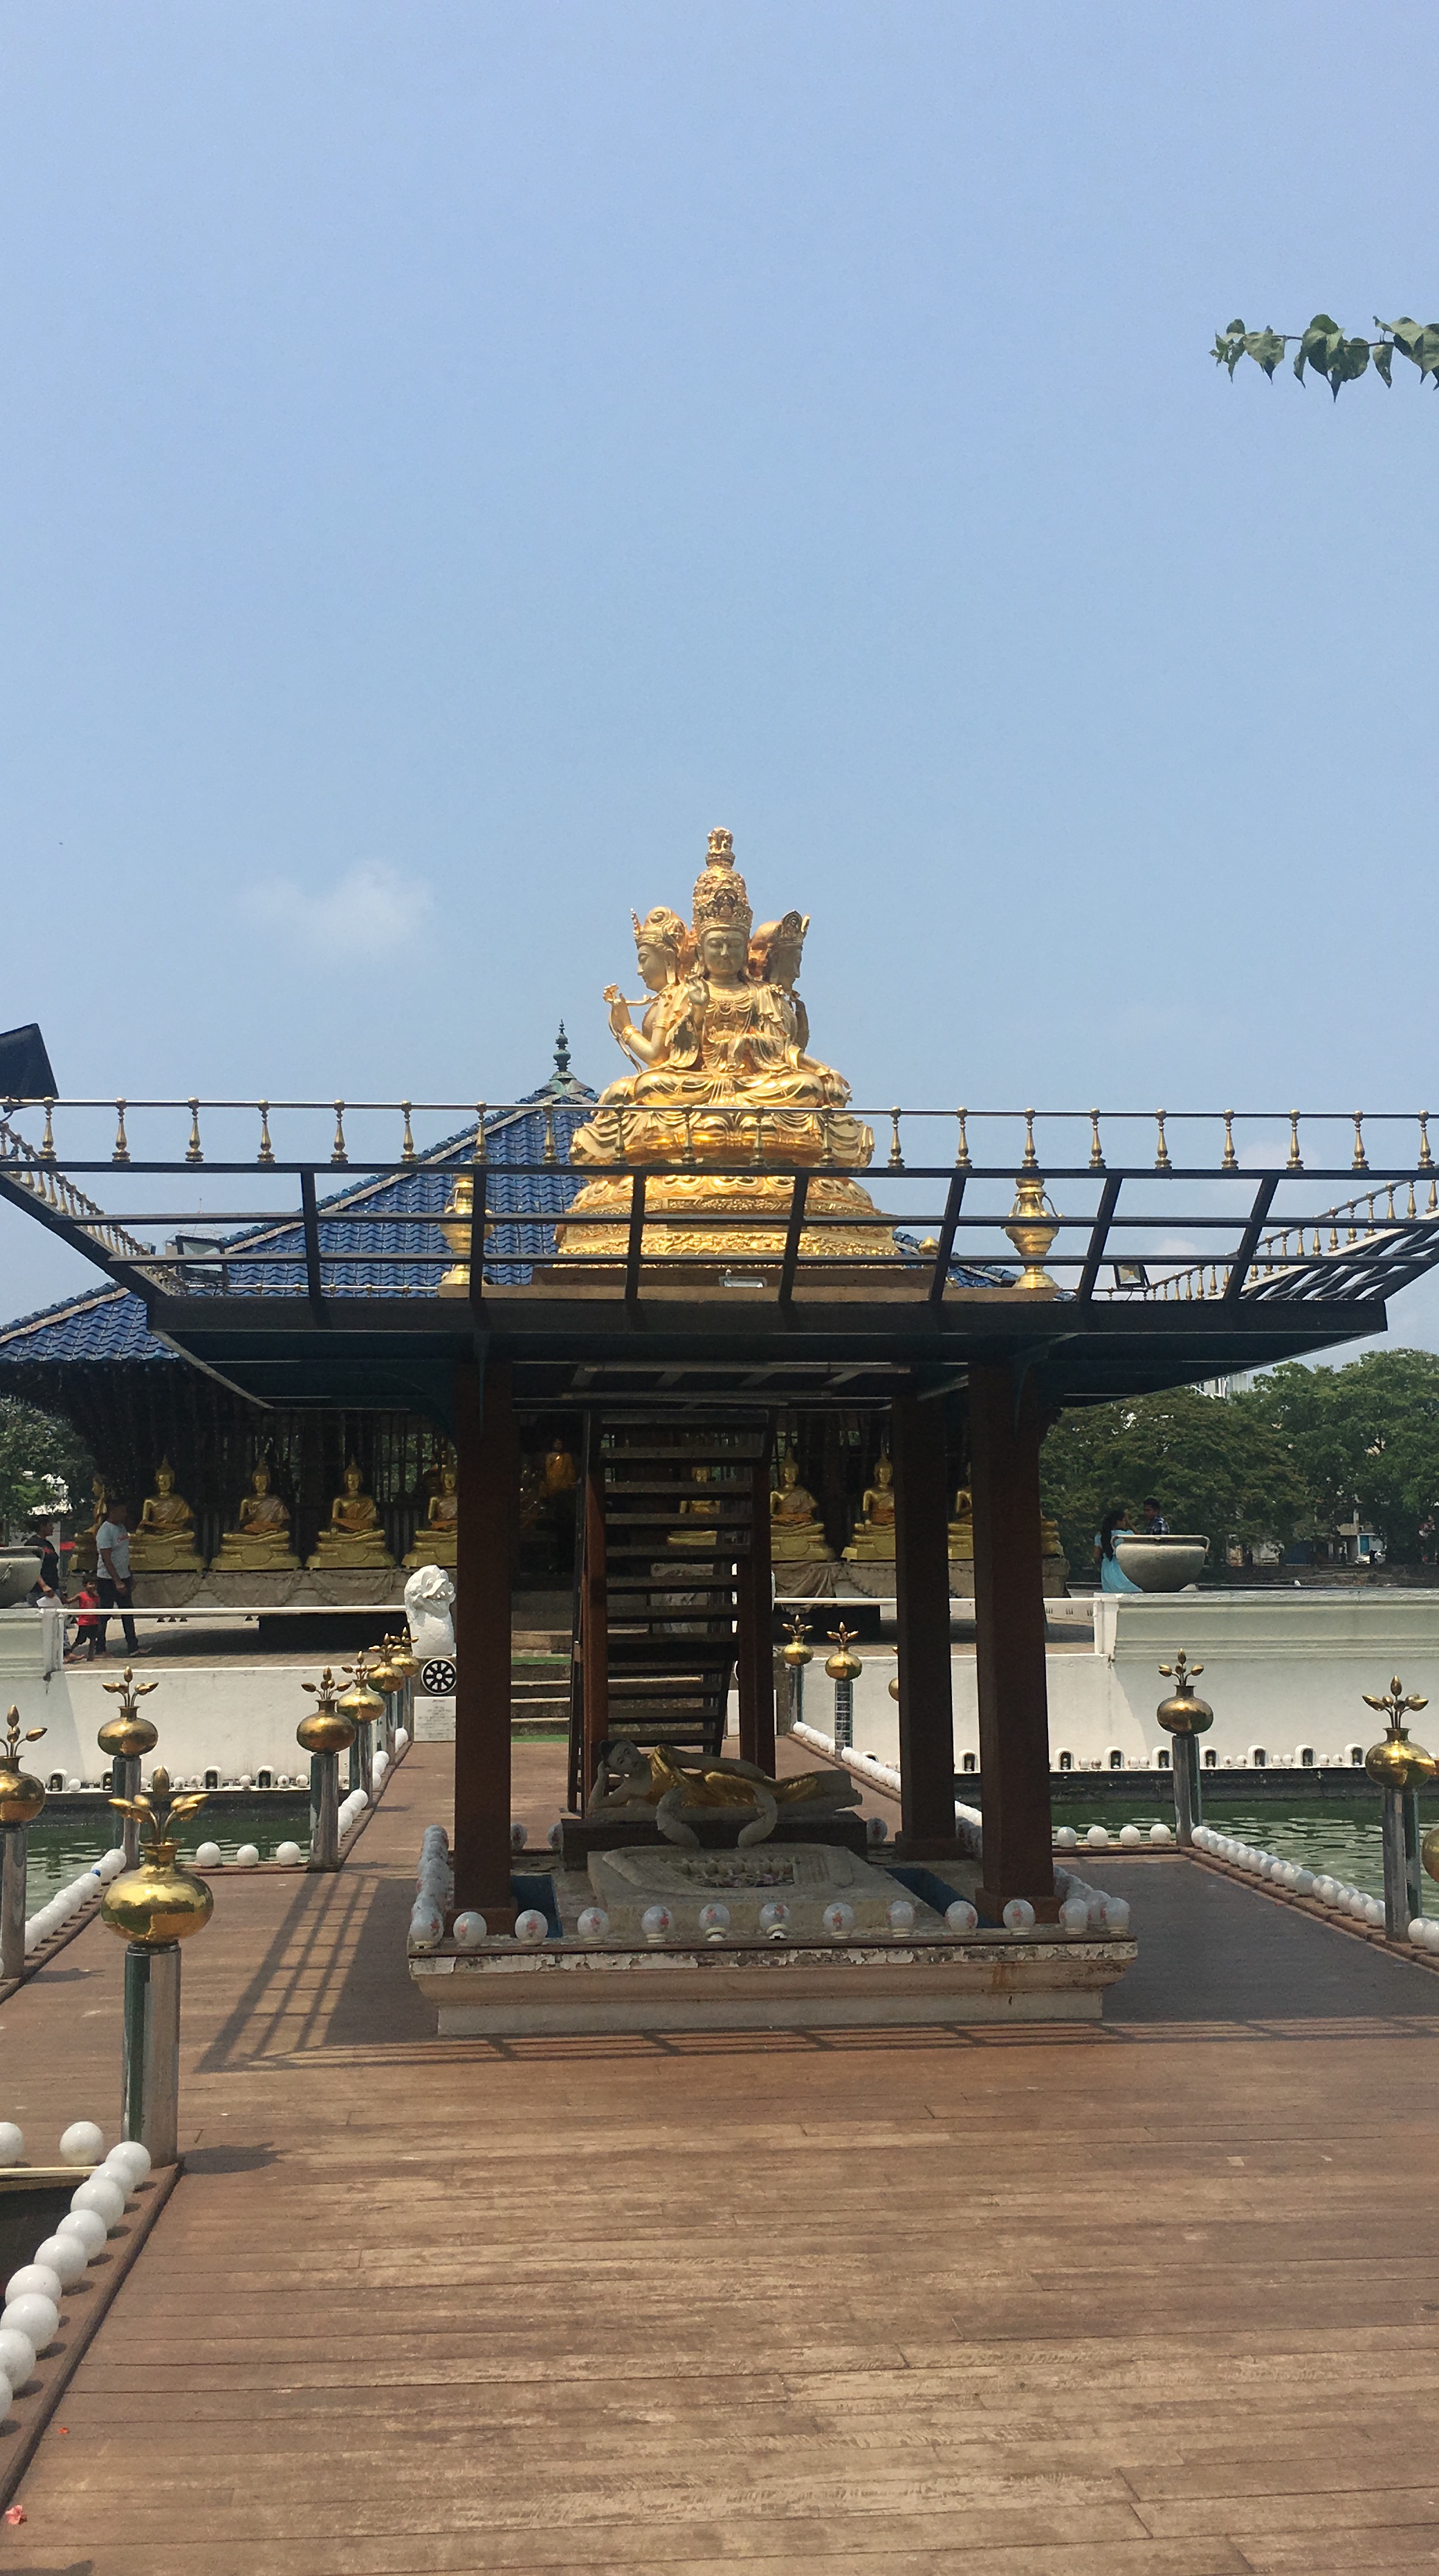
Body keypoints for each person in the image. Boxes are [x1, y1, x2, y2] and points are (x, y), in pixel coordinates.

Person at [94, 1498, 138, 1653]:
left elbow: (124, 1554)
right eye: (122, 1511)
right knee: (104, 1614)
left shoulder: (121, 1528)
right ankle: (100, 1648)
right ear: (113, 1512)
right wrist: (117, 1581)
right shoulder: (105, 1531)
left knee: (128, 1613)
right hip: (108, 1579)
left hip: (124, 1575)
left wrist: (129, 1574)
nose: (124, 1514)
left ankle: (133, 1646)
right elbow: (107, 1559)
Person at [1094, 1505, 1141, 1593]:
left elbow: (1096, 1555)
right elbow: (1141, 1539)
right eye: (1124, 1521)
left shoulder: (1100, 1536)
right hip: (1122, 1566)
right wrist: (1130, 1524)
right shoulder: (1126, 1535)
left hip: (1107, 1569)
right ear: (1118, 1522)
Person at [66, 1574, 104, 1661]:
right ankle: (68, 1652)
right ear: (85, 1585)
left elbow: (98, 1609)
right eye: (90, 1584)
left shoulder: (97, 1597)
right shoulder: (81, 1595)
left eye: (95, 1584)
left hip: (94, 1622)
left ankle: (91, 1656)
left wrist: (100, 1621)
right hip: (84, 1622)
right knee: (80, 1640)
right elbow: (69, 1601)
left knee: (93, 1639)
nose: (93, 1586)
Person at [29, 1519, 62, 1604]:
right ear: (42, 1526)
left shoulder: (48, 1544)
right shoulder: (33, 1543)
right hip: (38, 1591)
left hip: (53, 1587)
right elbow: (32, 1567)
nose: (53, 1528)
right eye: (50, 1525)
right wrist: (43, 1585)